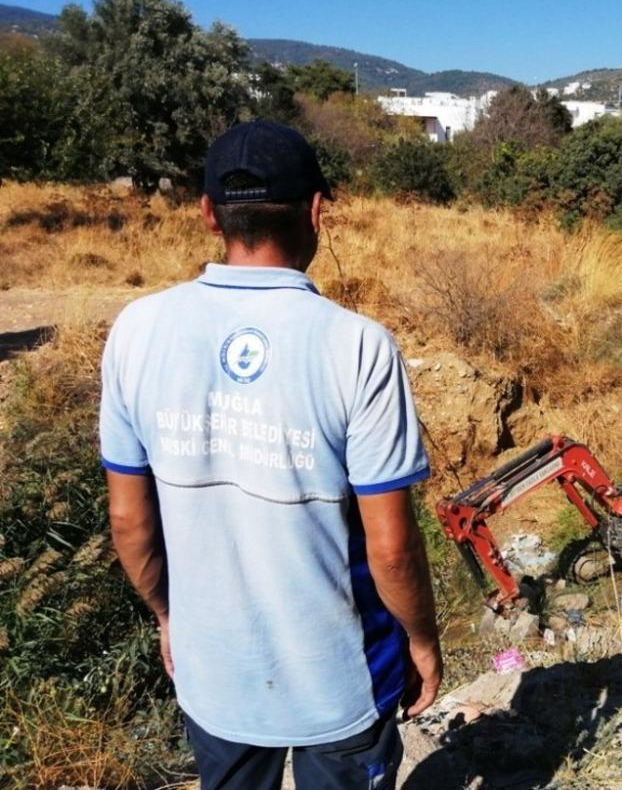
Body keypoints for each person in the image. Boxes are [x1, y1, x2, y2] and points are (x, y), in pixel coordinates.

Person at [100, 121, 441, 790]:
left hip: (213, 676)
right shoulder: (359, 346)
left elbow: (129, 521)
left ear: (206, 213)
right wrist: (422, 641)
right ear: (317, 211)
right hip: (340, 684)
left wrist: (169, 617)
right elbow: (392, 547)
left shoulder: (137, 329)